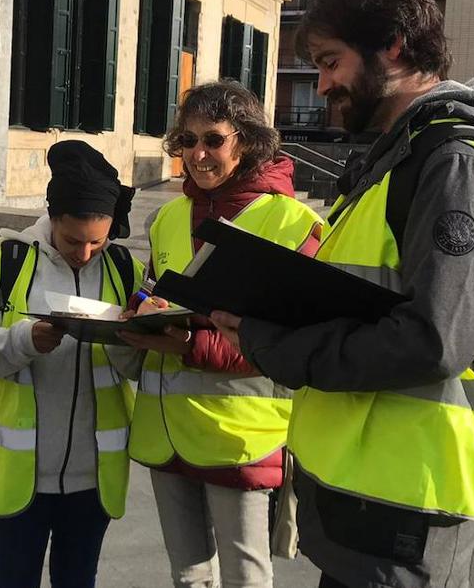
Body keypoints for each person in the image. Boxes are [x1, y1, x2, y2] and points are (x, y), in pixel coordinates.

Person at [211, 0, 474, 588]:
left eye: (331, 62)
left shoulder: (453, 164)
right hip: (369, 495)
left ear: (393, 46)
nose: (323, 85)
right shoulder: (401, 158)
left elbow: (432, 340)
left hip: (409, 498)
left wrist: (273, 345)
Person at [121, 81, 325, 588]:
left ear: (247, 141)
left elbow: (296, 340)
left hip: (240, 435)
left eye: (213, 139)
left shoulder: (293, 224)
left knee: (245, 577)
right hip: (164, 430)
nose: (198, 154)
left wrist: (193, 345)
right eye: (188, 141)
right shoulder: (167, 217)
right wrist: (140, 307)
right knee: (188, 576)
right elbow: (153, 287)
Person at [0, 140, 146, 588]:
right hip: (20, 478)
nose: (85, 253)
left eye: (97, 241)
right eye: (73, 240)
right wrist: (24, 340)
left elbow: (140, 366)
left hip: (94, 479)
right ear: (52, 218)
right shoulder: (5, 262)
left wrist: (128, 338)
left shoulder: (124, 269)